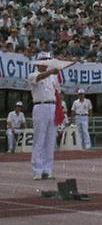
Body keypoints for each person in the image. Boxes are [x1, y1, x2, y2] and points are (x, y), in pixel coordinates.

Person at [28, 52, 62, 180]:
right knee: (39, 139)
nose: (45, 64)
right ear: (37, 63)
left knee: (50, 139)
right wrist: (51, 72)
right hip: (40, 106)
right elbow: (39, 78)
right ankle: (37, 169)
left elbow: (57, 92)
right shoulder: (33, 75)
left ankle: (47, 170)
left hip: (52, 106)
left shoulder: (53, 77)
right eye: (43, 61)